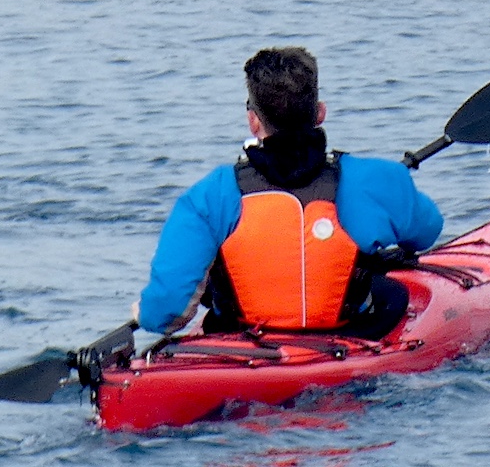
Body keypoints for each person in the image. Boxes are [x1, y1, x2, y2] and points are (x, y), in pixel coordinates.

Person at [138, 47, 444, 339]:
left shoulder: (208, 195)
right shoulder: (380, 178)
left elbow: (163, 314)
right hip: (347, 341)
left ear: (253, 120)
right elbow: (427, 232)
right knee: (393, 290)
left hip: (242, 348)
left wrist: (143, 313)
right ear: (320, 113)